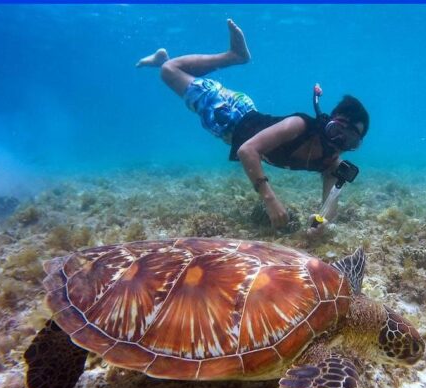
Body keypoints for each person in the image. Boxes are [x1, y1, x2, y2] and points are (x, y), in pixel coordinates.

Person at [137, 19, 369, 231]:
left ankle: (160, 60)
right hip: (228, 114)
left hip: (243, 113)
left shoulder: (330, 163)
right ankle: (234, 56)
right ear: (327, 121)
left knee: (175, 73)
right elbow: (247, 150)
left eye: (350, 141)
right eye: (337, 130)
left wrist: (320, 223)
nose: (338, 142)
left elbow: (329, 208)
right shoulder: (299, 125)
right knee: (170, 73)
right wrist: (270, 200)